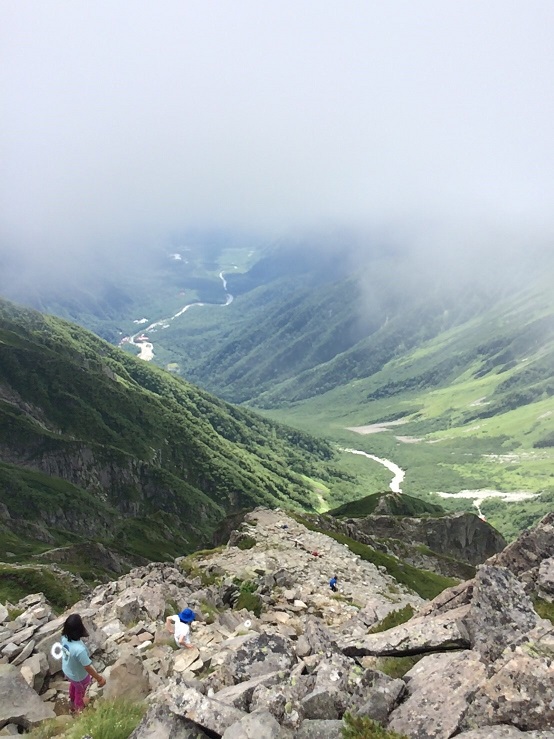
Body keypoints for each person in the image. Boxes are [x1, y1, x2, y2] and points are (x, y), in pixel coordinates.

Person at [61, 614, 105, 714]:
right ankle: (78, 710)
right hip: (79, 677)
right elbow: (87, 667)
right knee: (80, 692)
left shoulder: (64, 638)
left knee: (74, 685)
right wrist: (99, 678)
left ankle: (71, 701)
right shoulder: (79, 650)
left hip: (67, 671)